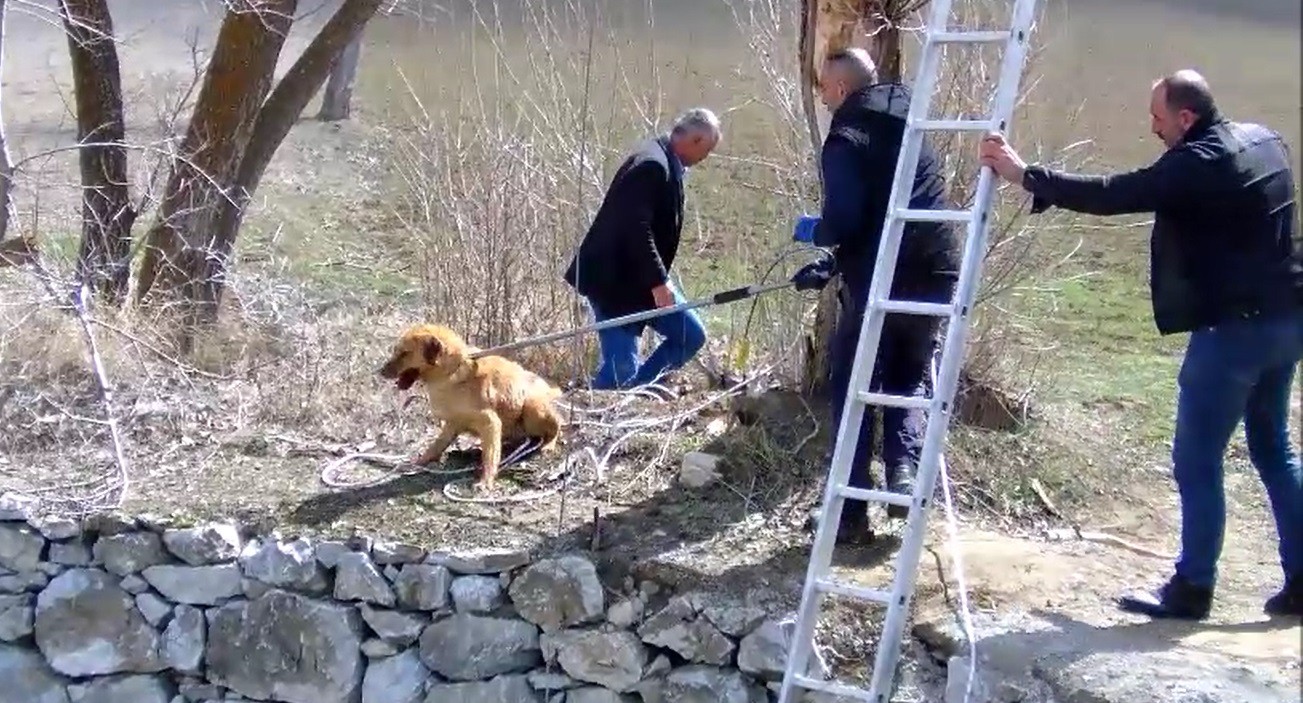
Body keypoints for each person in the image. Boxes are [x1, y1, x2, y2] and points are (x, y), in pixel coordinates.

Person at [979, 69, 1303, 620]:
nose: (1151, 127)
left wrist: (1025, 174)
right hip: (1288, 322)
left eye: (1157, 118)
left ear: (1186, 117)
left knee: (1197, 458)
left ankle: (1192, 588)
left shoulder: (1197, 163)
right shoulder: (1266, 140)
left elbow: (1115, 194)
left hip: (1234, 335)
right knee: (1274, 447)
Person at [790, 48, 961, 543]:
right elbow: (892, 203)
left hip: (888, 272)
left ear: (841, 88)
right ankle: (903, 476)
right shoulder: (910, 115)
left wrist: (816, 232)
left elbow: (847, 217)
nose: (823, 98)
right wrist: (837, 262)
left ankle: (850, 512)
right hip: (936, 266)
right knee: (907, 375)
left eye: (824, 88)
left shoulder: (846, 134)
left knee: (855, 384)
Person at [563, 109, 722, 391]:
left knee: (690, 335)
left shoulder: (664, 160)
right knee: (619, 373)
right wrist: (659, 282)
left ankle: (638, 391)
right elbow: (635, 228)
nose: (704, 159)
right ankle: (585, 412)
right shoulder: (652, 165)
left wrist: (656, 282)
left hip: (642, 281)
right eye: (706, 151)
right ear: (695, 140)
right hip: (614, 284)